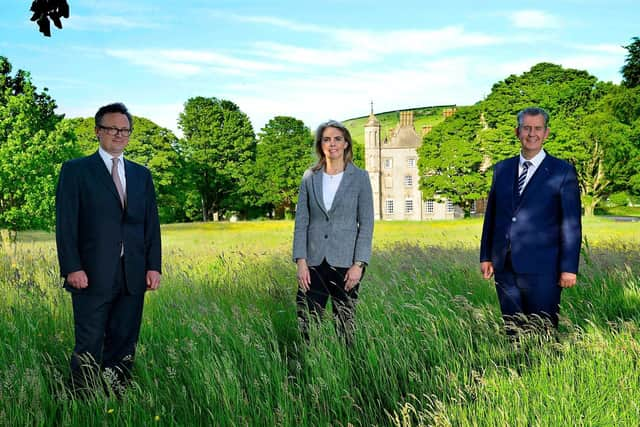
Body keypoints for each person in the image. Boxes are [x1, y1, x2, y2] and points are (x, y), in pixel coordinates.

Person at [56, 102, 162, 394]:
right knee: (88, 343)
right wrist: (72, 267)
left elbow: (150, 224)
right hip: (90, 275)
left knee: (124, 341)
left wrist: (154, 265)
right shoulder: (76, 171)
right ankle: (84, 400)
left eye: (125, 130)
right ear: (97, 131)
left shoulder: (142, 175)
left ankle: (117, 397)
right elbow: (66, 225)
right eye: (112, 128)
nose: (119, 134)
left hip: (133, 274)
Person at [479, 107, 581, 334]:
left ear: (546, 133)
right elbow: (492, 215)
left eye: (537, 128)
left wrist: (568, 268)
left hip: (545, 269)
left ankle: (545, 368)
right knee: (513, 330)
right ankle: (517, 366)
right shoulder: (502, 169)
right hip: (505, 267)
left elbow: (571, 224)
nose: (531, 133)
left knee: (543, 330)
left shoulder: (562, 172)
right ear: (517, 131)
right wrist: (486, 255)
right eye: (526, 128)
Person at [293, 120, 374, 344]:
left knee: (345, 326)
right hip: (313, 263)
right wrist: (300, 261)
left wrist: (359, 264)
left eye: (337, 139)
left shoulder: (360, 178)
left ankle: (347, 371)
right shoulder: (309, 177)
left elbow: (366, 224)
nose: (332, 144)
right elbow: (301, 221)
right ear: (320, 145)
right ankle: (310, 367)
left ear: (346, 143)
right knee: (307, 324)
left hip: (346, 264)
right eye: (326, 139)